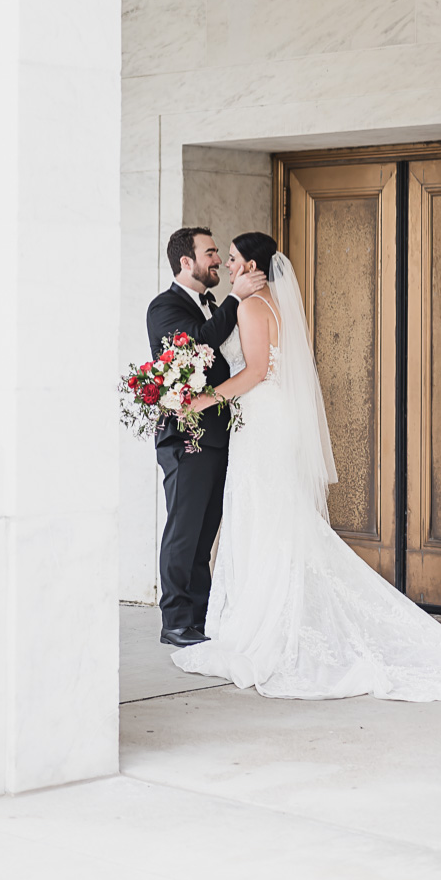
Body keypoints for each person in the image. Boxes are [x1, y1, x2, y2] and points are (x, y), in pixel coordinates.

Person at [172, 230, 441, 701]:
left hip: (261, 421)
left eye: (236, 258)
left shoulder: (251, 306)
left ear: (256, 266)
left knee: (266, 519)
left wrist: (201, 401)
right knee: (273, 518)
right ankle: (274, 608)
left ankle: (268, 620)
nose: (231, 265)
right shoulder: (273, 304)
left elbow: (257, 370)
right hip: (267, 416)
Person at [146, 226, 265, 648]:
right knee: (183, 531)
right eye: (210, 252)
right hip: (186, 437)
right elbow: (198, 346)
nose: (216, 260)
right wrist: (236, 300)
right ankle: (175, 621)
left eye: (217, 252)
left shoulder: (211, 303)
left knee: (204, 533)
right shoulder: (164, 308)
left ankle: (199, 617)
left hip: (217, 436)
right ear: (186, 262)